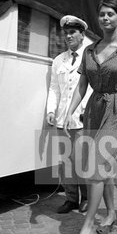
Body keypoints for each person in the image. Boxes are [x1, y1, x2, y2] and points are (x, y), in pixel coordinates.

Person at [63, 0, 117, 234]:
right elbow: (82, 85)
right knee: (100, 164)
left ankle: (87, 224)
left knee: (97, 163)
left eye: (110, 14)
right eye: (102, 14)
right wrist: (69, 112)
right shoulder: (89, 50)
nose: (105, 18)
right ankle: (110, 214)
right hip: (95, 108)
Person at [46, 15, 90, 214]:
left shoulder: (91, 56)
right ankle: (71, 199)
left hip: (82, 119)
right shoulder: (58, 60)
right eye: (66, 33)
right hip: (63, 119)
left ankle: (87, 198)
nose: (68, 36)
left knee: (82, 160)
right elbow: (54, 88)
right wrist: (50, 110)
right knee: (66, 162)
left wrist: (87, 112)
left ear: (82, 34)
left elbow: (92, 89)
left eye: (73, 32)